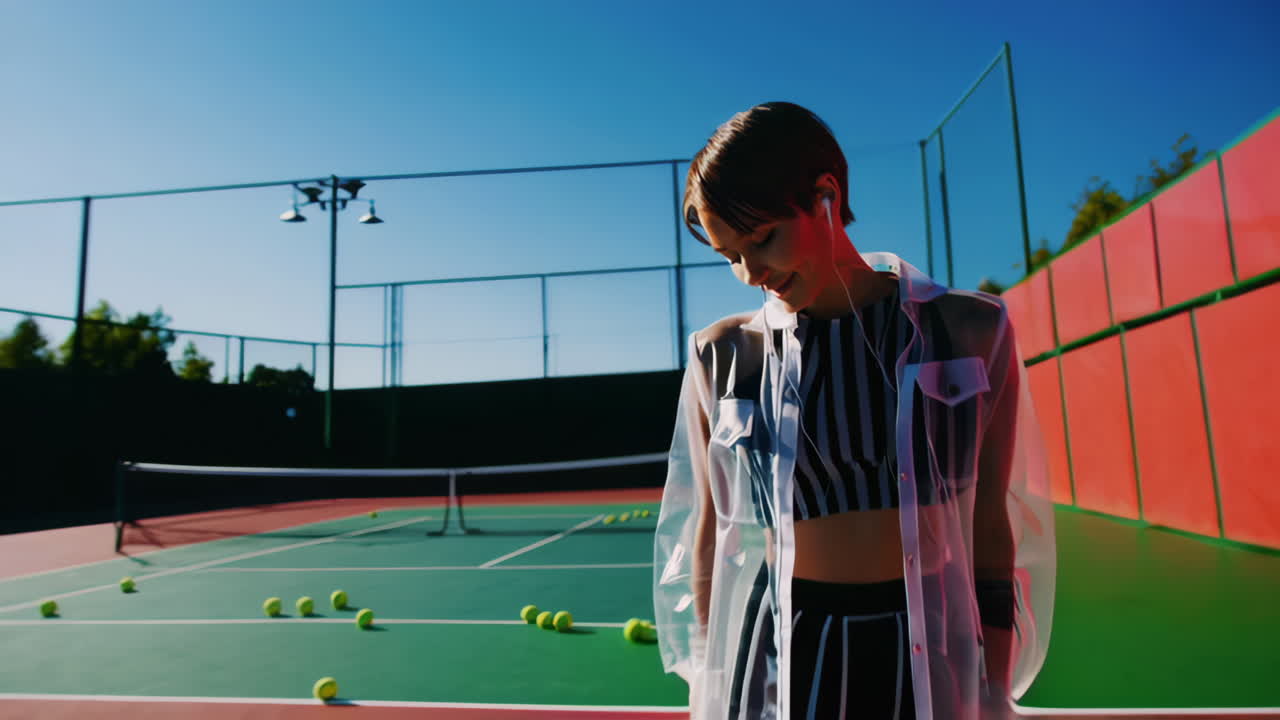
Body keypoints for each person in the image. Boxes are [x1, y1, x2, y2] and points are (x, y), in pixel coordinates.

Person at [653, 102, 1056, 720]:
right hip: (785, 648)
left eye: (762, 239)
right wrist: (710, 671)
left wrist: (994, 678)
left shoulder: (969, 330)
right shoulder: (723, 356)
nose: (750, 273)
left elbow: (992, 521)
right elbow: (707, 529)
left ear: (827, 196)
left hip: (931, 640)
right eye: (729, 255)